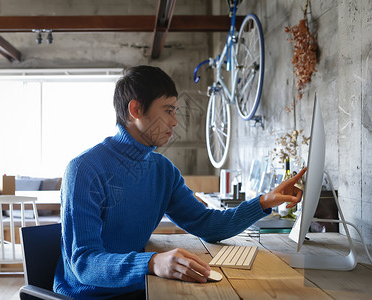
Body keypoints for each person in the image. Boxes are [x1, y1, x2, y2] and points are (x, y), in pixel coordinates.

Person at [53, 65, 306, 300]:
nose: (175, 121)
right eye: (168, 110)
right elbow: (85, 264)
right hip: (88, 295)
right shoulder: (85, 169)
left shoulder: (163, 171)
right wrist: (152, 263)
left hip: (141, 288)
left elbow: (208, 224)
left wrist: (264, 202)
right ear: (135, 110)